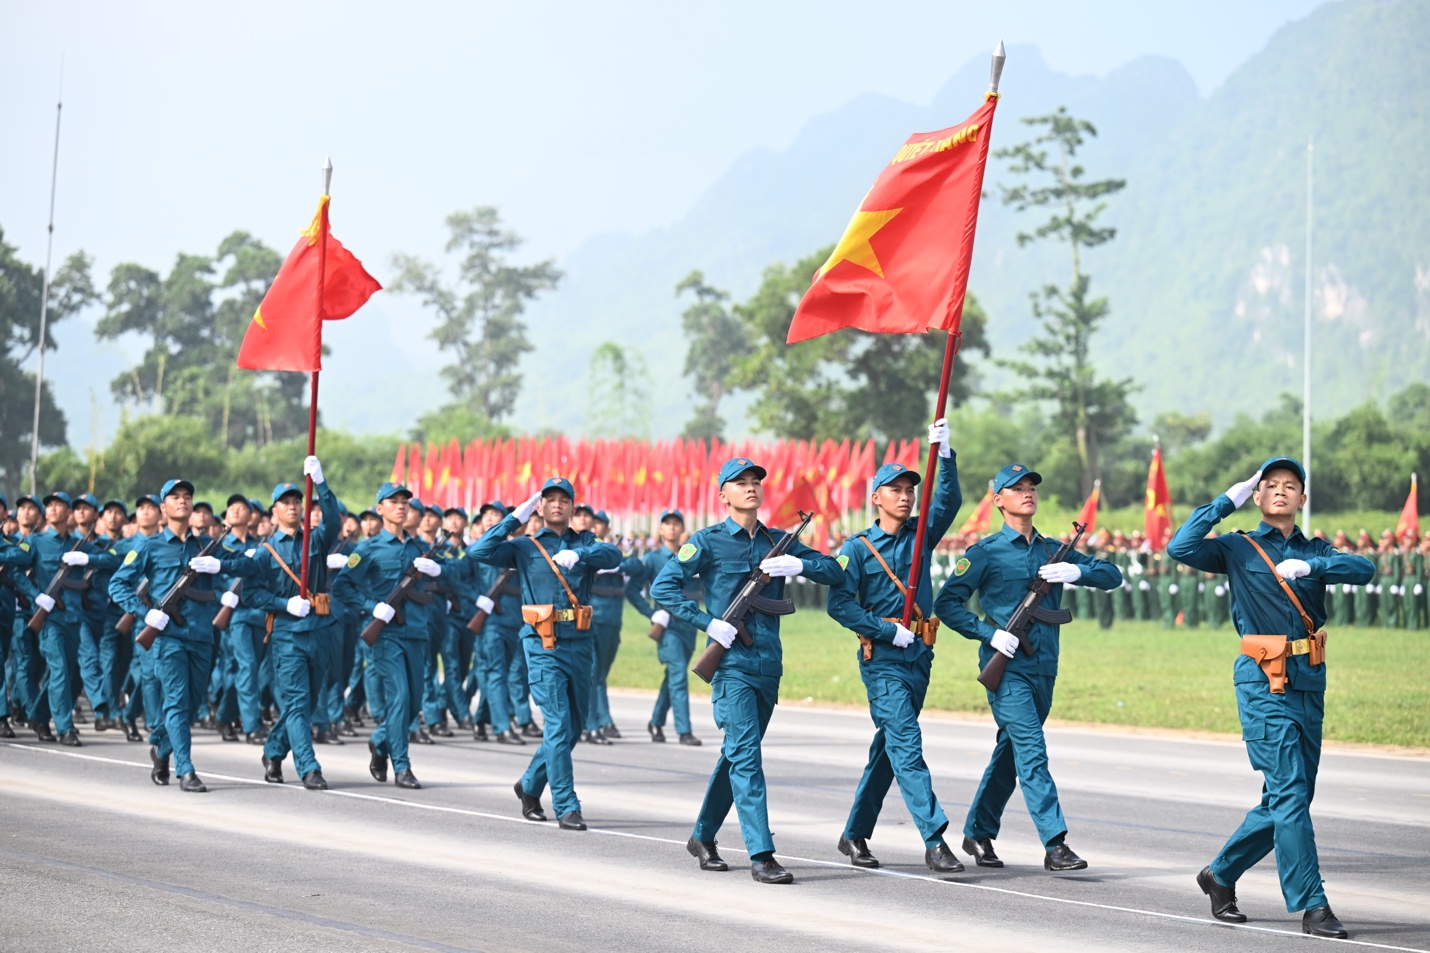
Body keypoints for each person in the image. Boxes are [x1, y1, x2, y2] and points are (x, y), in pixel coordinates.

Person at [1168, 458, 1374, 939]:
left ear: (1302, 499)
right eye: (1269, 486)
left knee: (1292, 794)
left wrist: (1315, 565)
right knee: (1289, 793)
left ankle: (1219, 874)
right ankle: (1312, 905)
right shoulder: (1238, 548)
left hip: (1309, 679)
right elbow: (1181, 545)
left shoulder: (1315, 548)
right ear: (1257, 497)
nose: (1280, 491)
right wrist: (1225, 501)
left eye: (1291, 486)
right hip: (1262, 680)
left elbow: (1364, 569)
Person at [651, 457, 843, 884]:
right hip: (731, 664)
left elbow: (835, 570)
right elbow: (662, 586)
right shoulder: (708, 541)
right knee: (748, 756)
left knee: (737, 752)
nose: (751, 487)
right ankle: (762, 854)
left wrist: (801, 565)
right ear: (723, 494)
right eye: (741, 482)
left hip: (767, 663)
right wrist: (707, 621)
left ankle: (702, 836)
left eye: (756, 481)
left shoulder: (779, 540)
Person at [933, 463, 1123, 872]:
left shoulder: (1054, 549)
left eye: (1031, 487)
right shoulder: (984, 553)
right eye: (1016, 488)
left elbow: (1113, 575)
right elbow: (946, 603)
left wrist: (1078, 571)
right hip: (1007, 670)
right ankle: (1055, 844)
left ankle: (978, 832)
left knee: (1011, 753)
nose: (1027, 493)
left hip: (1045, 668)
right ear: (998, 499)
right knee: (1033, 753)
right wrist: (988, 634)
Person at [826, 419, 965, 873]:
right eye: (895, 489)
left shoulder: (921, 537)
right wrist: (887, 631)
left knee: (888, 749)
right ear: (876, 498)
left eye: (910, 489)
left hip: (919, 656)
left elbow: (949, 501)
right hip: (882, 658)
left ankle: (854, 834)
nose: (905, 496)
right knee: (907, 743)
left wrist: (944, 456)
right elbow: (839, 605)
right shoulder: (859, 548)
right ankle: (934, 837)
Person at [470, 477, 622, 831]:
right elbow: (479, 550)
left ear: (572, 506)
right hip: (543, 644)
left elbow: (614, 555)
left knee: (575, 726)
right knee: (557, 722)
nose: (556, 504)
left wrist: (581, 554)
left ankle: (528, 785)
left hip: (580, 641)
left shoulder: (586, 541)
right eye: (548, 499)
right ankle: (567, 805)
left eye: (563, 499)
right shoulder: (525, 546)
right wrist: (514, 518)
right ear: (539, 507)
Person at [110, 479, 256, 792]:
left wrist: (219, 564)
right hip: (168, 638)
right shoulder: (148, 545)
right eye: (174, 497)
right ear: (163, 508)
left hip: (203, 635)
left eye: (187, 496)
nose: (182, 501)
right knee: (176, 701)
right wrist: (144, 612)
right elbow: (117, 584)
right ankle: (186, 770)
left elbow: (248, 564)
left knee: (191, 705)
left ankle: (162, 749)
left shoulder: (205, 546)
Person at [332, 482, 444, 789]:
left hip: (417, 633)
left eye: (405, 501)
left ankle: (381, 741)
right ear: (379, 508)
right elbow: (342, 587)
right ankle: (403, 767)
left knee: (413, 703)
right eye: (393, 501)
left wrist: (437, 570)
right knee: (401, 698)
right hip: (386, 635)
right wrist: (372, 607)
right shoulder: (368, 548)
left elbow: (452, 575)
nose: (401, 506)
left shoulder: (420, 547)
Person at [245, 460, 341, 791]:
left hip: (319, 630)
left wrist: (322, 483)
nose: (293, 506)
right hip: (287, 634)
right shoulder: (265, 552)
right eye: (286, 502)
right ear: (274, 512)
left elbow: (334, 520)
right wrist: (283, 603)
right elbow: (252, 594)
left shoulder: (314, 541)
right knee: (298, 704)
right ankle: (309, 768)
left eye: (297, 501)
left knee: (310, 701)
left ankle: (273, 751)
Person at [625, 508, 702, 745]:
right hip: (668, 626)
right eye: (667, 524)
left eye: (676, 523)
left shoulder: (691, 556)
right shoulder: (652, 559)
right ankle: (684, 731)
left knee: (673, 676)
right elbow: (632, 590)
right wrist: (653, 614)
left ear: (682, 529)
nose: (671, 527)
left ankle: (656, 722)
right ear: (660, 529)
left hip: (690, 625)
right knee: (678, 673)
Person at [583, 509, 640, 743]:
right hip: (591, 619)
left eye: (600, 524)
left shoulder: (614, 551)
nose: (596, 527)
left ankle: (603, 719)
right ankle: (594, 722)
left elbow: (637, 564)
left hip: (613, 622)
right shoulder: (584, 548)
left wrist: (616, 564)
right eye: (592, 523)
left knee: (601, 674)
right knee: (592, 671)